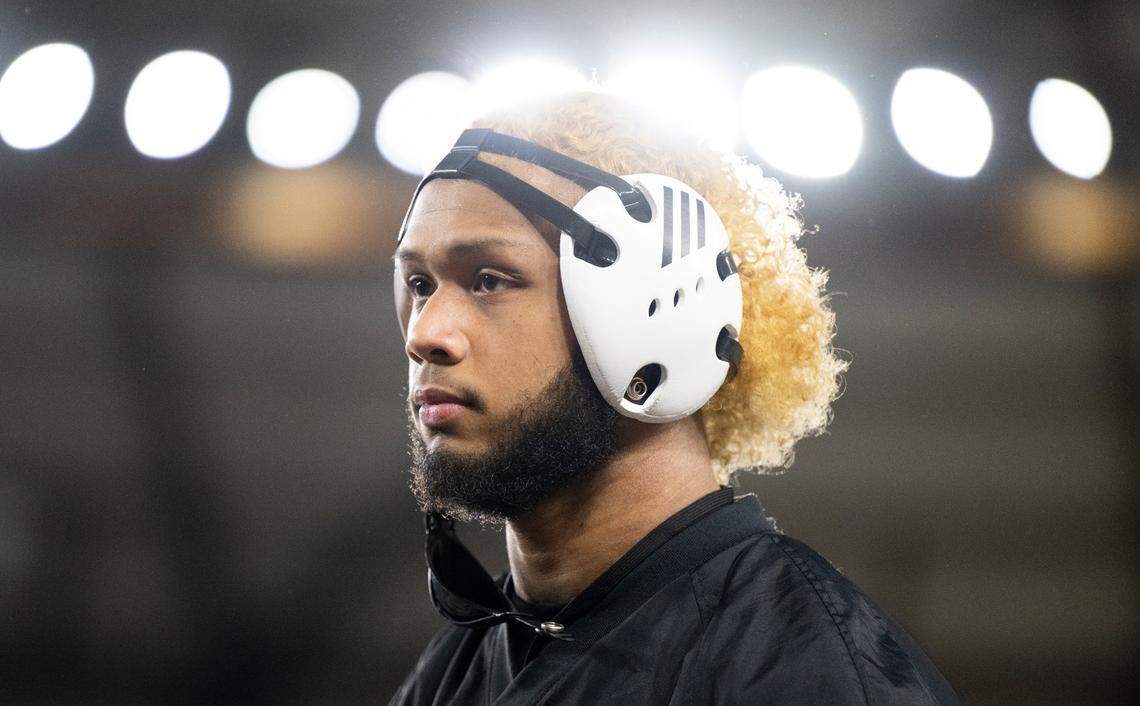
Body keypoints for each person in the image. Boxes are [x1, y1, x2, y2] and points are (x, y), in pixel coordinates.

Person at [388, 89, 957, 705]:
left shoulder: (808, 673)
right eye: (420, 283)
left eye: (488, 280)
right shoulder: (455, 668)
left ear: (658, 308)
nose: (424, 334)